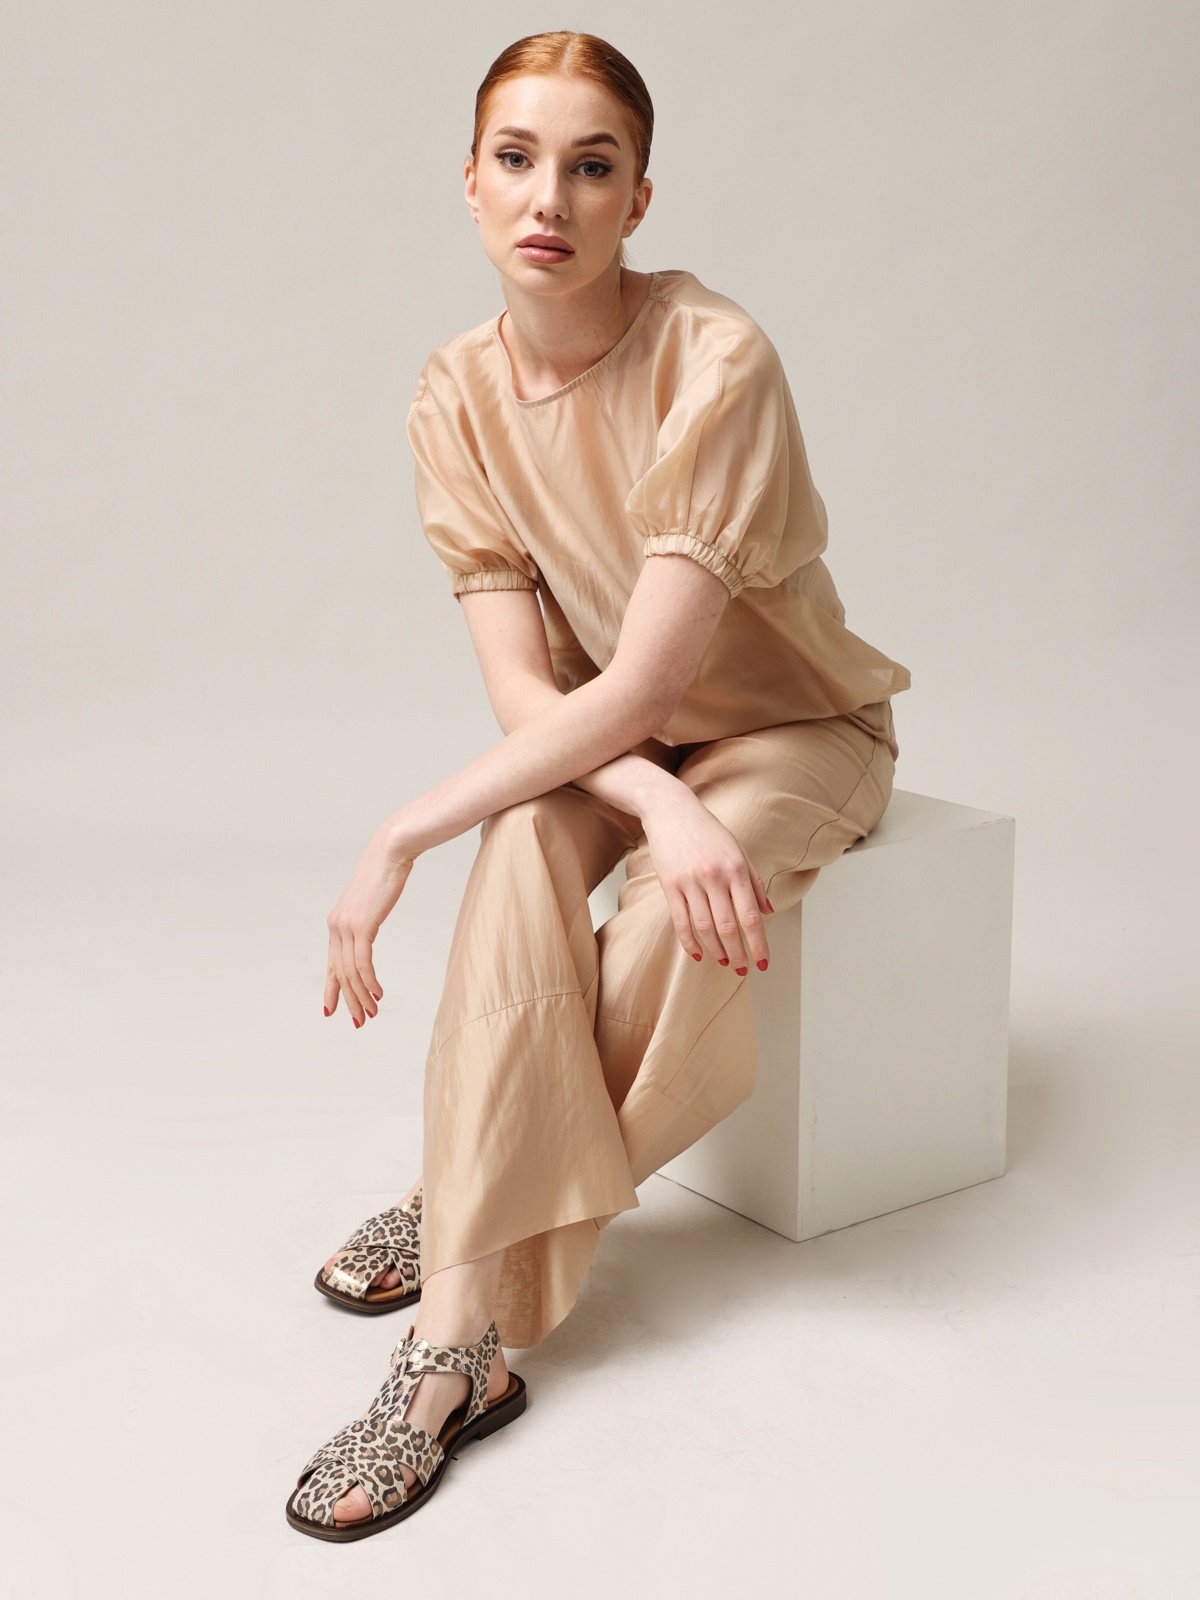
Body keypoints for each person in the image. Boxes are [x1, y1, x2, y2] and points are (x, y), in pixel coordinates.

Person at [286, 30, 912, 1542]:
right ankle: (465, 1284)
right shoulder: (453, 391)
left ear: (639, 197)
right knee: (519, 846)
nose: (548, 198)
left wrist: (399, 831)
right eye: (516, 158)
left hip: (793, 729)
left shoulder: (717, 361)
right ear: (469, 180)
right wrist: (651, 798)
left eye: (591, 166)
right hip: (618, 747)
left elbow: (639, 684)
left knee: (666, 927)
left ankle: (456, 1309)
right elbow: (532, 692)